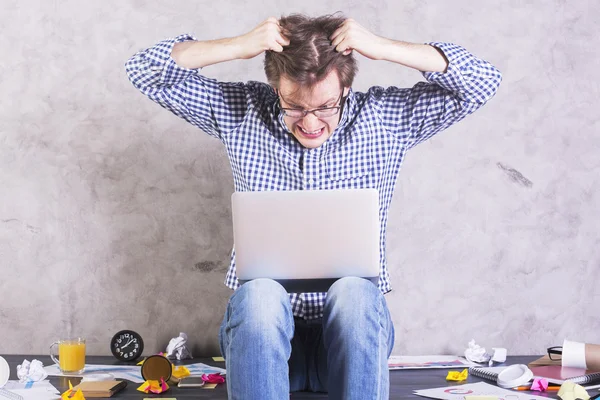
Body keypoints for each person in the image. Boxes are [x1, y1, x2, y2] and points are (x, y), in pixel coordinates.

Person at [126, 13, 502, 400]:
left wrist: (384, 48)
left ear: (346, 87)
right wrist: (238, 45)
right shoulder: (241, 112)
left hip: (349, 348)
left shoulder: (385, 119)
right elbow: (144, 70)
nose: (310, 122)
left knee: (356, 293)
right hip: (263, 345)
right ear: (275, 88)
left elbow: (482, 82)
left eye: (325, 106)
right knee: (259, 296)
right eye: (294, 106)